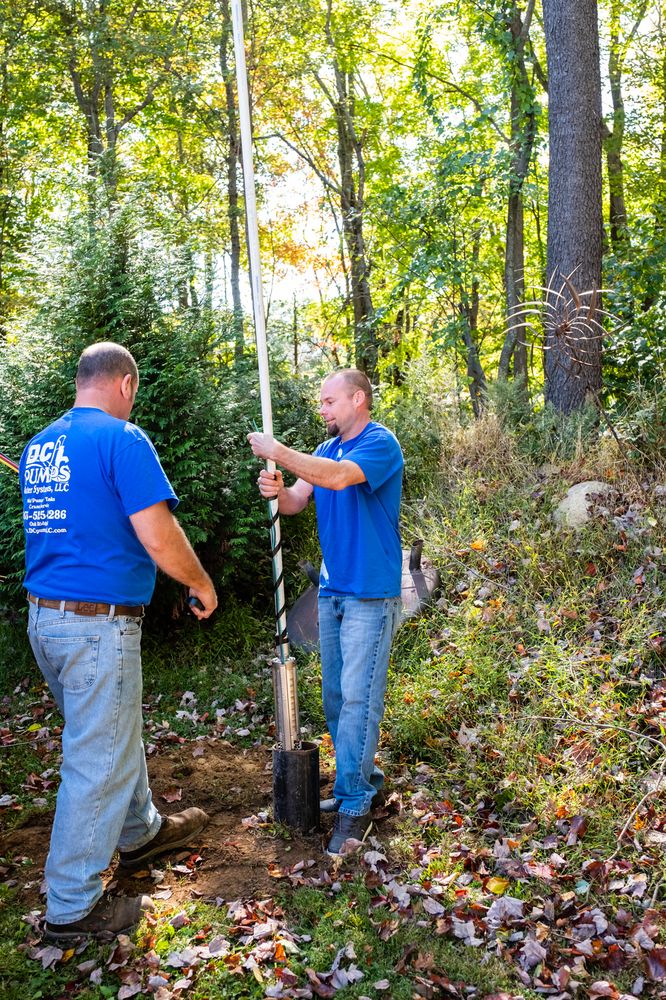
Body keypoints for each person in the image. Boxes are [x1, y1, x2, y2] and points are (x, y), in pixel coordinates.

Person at [19, 341, 218, 943]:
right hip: (95, 627)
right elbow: (158, 535)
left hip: (46, 622)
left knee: (108, 733)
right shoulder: (122, 440)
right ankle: (71, 910)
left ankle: (140, 832)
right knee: (96, 758)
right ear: (125, 385)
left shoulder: (40, 446)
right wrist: (201, 582)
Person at [248, 369, 403, 856]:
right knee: (337, 698)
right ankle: (366, 778)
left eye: (330, 401)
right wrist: (277, 490)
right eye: (321, 403)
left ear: (359, 399)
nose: (323, 410)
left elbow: (337, 480)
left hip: (370, 594)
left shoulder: (379, 444)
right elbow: (299, 498)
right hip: (333, 592)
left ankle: (355, 805)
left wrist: (278, 451)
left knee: (358, 698)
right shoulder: (326, 448)